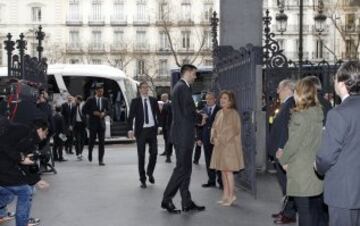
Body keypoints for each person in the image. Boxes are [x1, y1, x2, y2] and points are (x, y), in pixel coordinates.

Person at [316, 61, 360, 226]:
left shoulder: (338, 114)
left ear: (342, 83)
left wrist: (317, 165)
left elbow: (326, 157)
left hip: (344, 192)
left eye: (334, 79)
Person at [278, 78, 327, 226]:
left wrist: (282, 158)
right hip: (313, 166)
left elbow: (293, 143)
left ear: (299, 94)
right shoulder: (317, 113)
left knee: (304, 211)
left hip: (300, 169)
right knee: (312, 210)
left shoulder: (300, 116)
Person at [161, 64, 206, 214]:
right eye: (194, 74)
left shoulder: (181, 87)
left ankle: (186, 202)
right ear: (187, 72)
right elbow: (188, 111)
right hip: (182, 136)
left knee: (186, 169)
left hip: (183, 135)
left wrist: (197, 115)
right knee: (181, 169)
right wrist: (200, 118)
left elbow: (186, 110)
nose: (195, 76)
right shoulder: (183, 87)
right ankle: (166, 199)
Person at [0, 119, 50, 226]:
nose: (45, 137)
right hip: (3, 167)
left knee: (9, 193)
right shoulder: (23, 129)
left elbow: (28, 165)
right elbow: (3, 143)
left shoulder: (32, 142)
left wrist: (37, 180)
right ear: (40, 130)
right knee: (25, 191)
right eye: (45, 133)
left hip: (6, 167)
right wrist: (21, 158)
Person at [268, 79, 297, 224]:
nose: (277, 91)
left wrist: (281, 149)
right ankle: (285, 210)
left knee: (287, 185)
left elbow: (287, 130)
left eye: (279, 88)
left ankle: (289, 214)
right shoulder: (286, 103)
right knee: (284, 184)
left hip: (283, 153)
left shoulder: (291, 103)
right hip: (280, 152)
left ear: (286, 88)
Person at [210, 90, 244, 206]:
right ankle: (225, 195)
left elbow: (233, 131)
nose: (222, 100)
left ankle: (231, 196)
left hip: (230, 148)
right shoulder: (219, 113)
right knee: (223, 171)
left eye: (225, 98)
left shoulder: (233, 113)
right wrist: (213, 137)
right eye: (221, 98)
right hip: (220, 147)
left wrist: (219, 139)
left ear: (230, 101)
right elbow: (214, 127)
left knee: (228, 172)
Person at [128, 81, 161, 188]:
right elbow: (130, 117)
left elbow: (158, 114)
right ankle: (142, 179)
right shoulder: (135, 101)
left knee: (154, 153)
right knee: (141, 155)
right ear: (140, 89)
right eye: (144, 88)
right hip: (141, 131)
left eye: (147, 88)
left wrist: (159, 126)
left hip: (152, 130)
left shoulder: (153, 100)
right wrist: (129, 129)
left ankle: (150, 172)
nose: (146, 89)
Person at [199, 92, 222, 188]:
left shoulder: (220, 110)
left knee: (219, 160)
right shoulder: (203, 110)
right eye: (207, 99)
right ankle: (211, 180)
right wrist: (199, 138)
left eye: (210, 99)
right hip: (206, 138)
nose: (208, 101)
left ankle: (221, 181)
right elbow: (199, 126)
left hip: (217, 139)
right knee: (208, 160)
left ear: (215, 99)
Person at [83, 83, 109, 166]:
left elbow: (110, 110)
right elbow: (84, 110)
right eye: (99, 91)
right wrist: (93, 113)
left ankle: (100, 160)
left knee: (102, 143)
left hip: (101, 125)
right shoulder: (90, 100)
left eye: (102, 91)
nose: (101, 93)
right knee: (92, 141)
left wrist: (104, 113)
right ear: (96, 91)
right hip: (93, 124)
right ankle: (90, 152)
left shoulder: (105, 100)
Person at [159, 94, 173, 163]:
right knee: (168, 141)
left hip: (170, 126)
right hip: (168, 126)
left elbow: (163, 115)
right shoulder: (166, 105)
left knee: (169, 141)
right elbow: (163, 116)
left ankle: (168, 156)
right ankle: (168, 155)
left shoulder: (168, 105)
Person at [73, 95, 87, 161]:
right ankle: (78, 153)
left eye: (76, 100)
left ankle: (80, 153)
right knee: (78, 140)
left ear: (79, 100)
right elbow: (72, 115)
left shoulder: (84, 105)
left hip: (83, 124)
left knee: (83, 140)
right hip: (76, 124)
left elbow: (87, 115)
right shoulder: (75, 106)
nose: (75, 101)